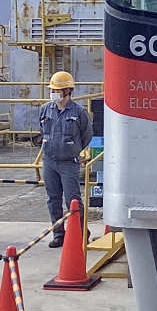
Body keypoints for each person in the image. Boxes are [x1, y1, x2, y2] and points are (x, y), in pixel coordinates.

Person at [39, 72, 93, 248]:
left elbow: (86, 136)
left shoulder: (79, 112)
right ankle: (59, 234)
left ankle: (80, 233)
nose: (54, 93)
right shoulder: (45, 109)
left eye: (58, 90)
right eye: (52, 89)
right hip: (49, 160)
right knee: (53, 199)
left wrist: (73, 149)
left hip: (69, 162)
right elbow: (42, 131)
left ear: (68, 91)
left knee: (73, 200)